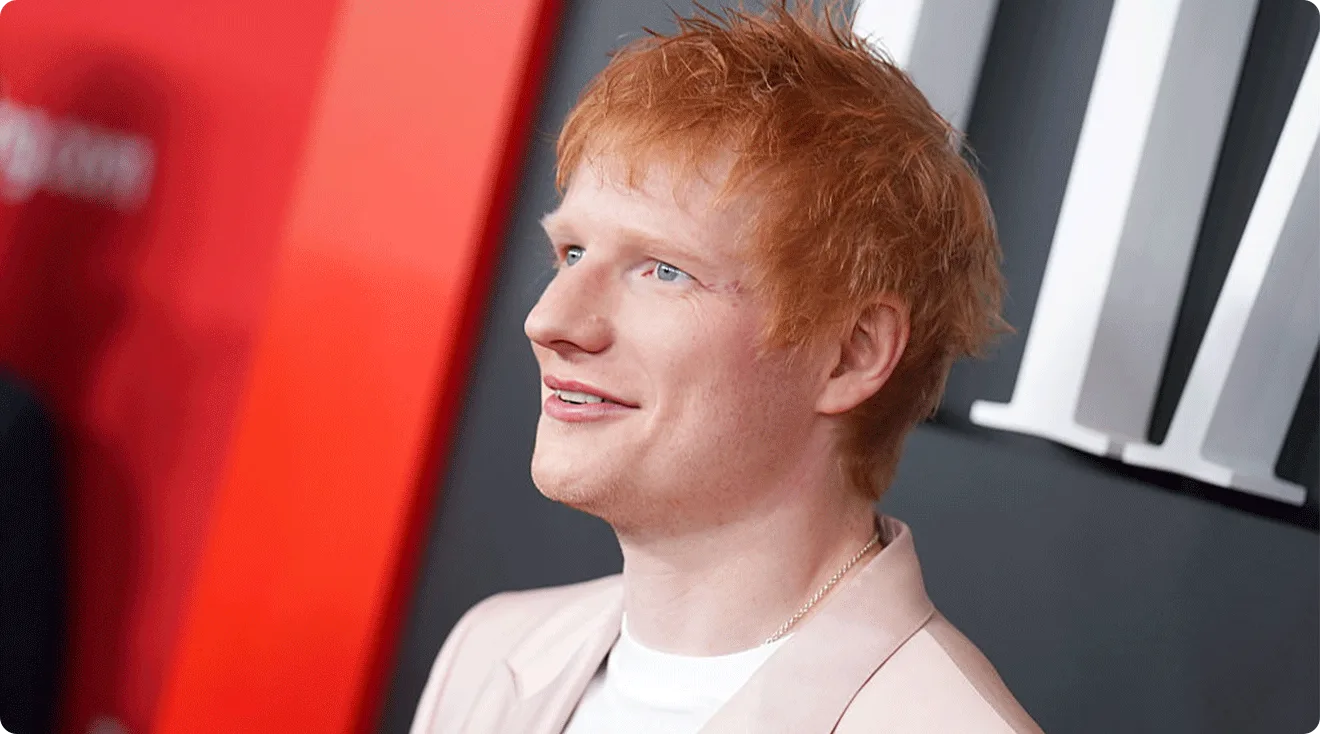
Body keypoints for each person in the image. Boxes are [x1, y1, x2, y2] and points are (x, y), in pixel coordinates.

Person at [411, 3, 1042, 732]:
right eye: (573, 252)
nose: (549, 322)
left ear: (852, 352)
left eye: (663, 270)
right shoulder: (489, 652)